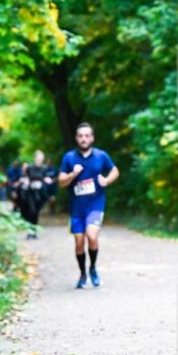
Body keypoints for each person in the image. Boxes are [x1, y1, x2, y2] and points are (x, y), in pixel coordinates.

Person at [58, 123, 119, 288]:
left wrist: (106, 180)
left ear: (92, 138)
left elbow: (115, 171)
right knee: (79, 242)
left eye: (87, 136)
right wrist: (73, 174)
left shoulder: (101, 156)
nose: (83, 139)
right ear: (76, 138)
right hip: (77, 208)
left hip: (95, 204)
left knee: (92, 236)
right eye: (80, 136)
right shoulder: (69, 158)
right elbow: (61, 181)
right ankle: (83, 273)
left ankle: (92, 268)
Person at [18, 150, 57, 239]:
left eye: (41, 159)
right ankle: (29, 231)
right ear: (35, 158)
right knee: (31, 211)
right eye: (38, 158)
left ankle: (34, 232)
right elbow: (25, 177)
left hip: (40, 194)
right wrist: (26, 181)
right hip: (30, 193)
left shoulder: (44, 168)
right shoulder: (29, 167)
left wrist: (47, 180)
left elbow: (45, 177)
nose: (40, 160)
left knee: (36, 212)